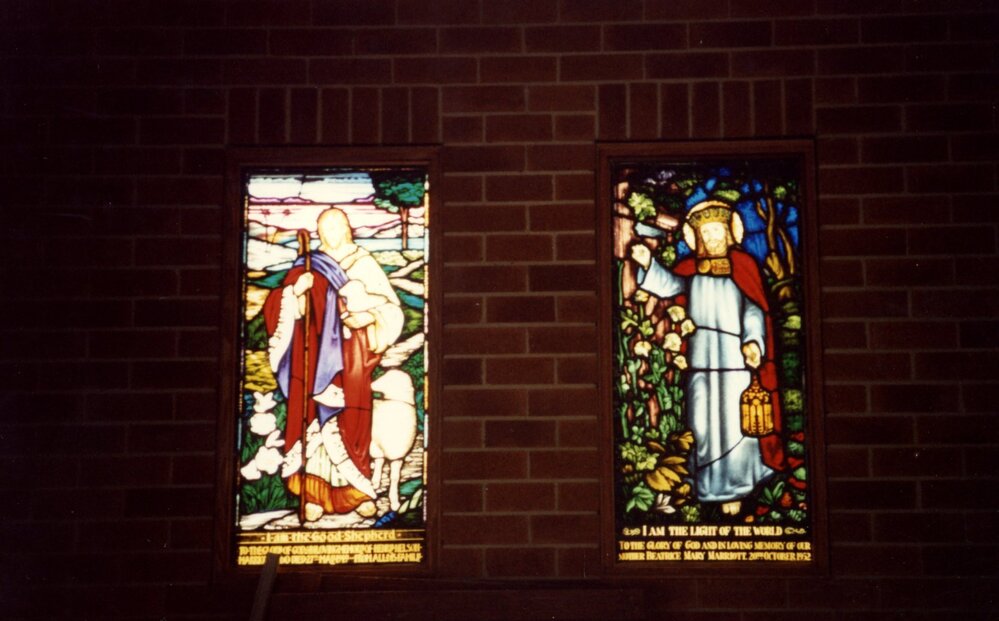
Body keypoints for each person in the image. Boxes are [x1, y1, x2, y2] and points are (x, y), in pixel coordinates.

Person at [630, 200, 784, 515]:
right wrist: (649, 263)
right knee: (701, 425)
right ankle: (704, 487)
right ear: (697, 236)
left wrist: (754, 342)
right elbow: (669, 285)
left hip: (735, 365)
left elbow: (755, 310)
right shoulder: (691, 270)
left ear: (730, 234)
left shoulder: (743, 268)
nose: (713, 237)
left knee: (735, 428)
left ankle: (736, 489)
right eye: (706, 232)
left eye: (718, 231)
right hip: (700, 363)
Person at [264, 208, 404, 522]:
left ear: (347, 229)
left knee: (352, 423)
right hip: (313, 358)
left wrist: (366, 314)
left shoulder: (362, 262)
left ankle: (358, 494)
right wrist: (294, 293)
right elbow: (280, 308)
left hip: (352, 355)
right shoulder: (308, 264)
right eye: (324, 226)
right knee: (312, 419)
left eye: (336, 225)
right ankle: (313, 497)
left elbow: (389, 308)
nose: (330, 231)